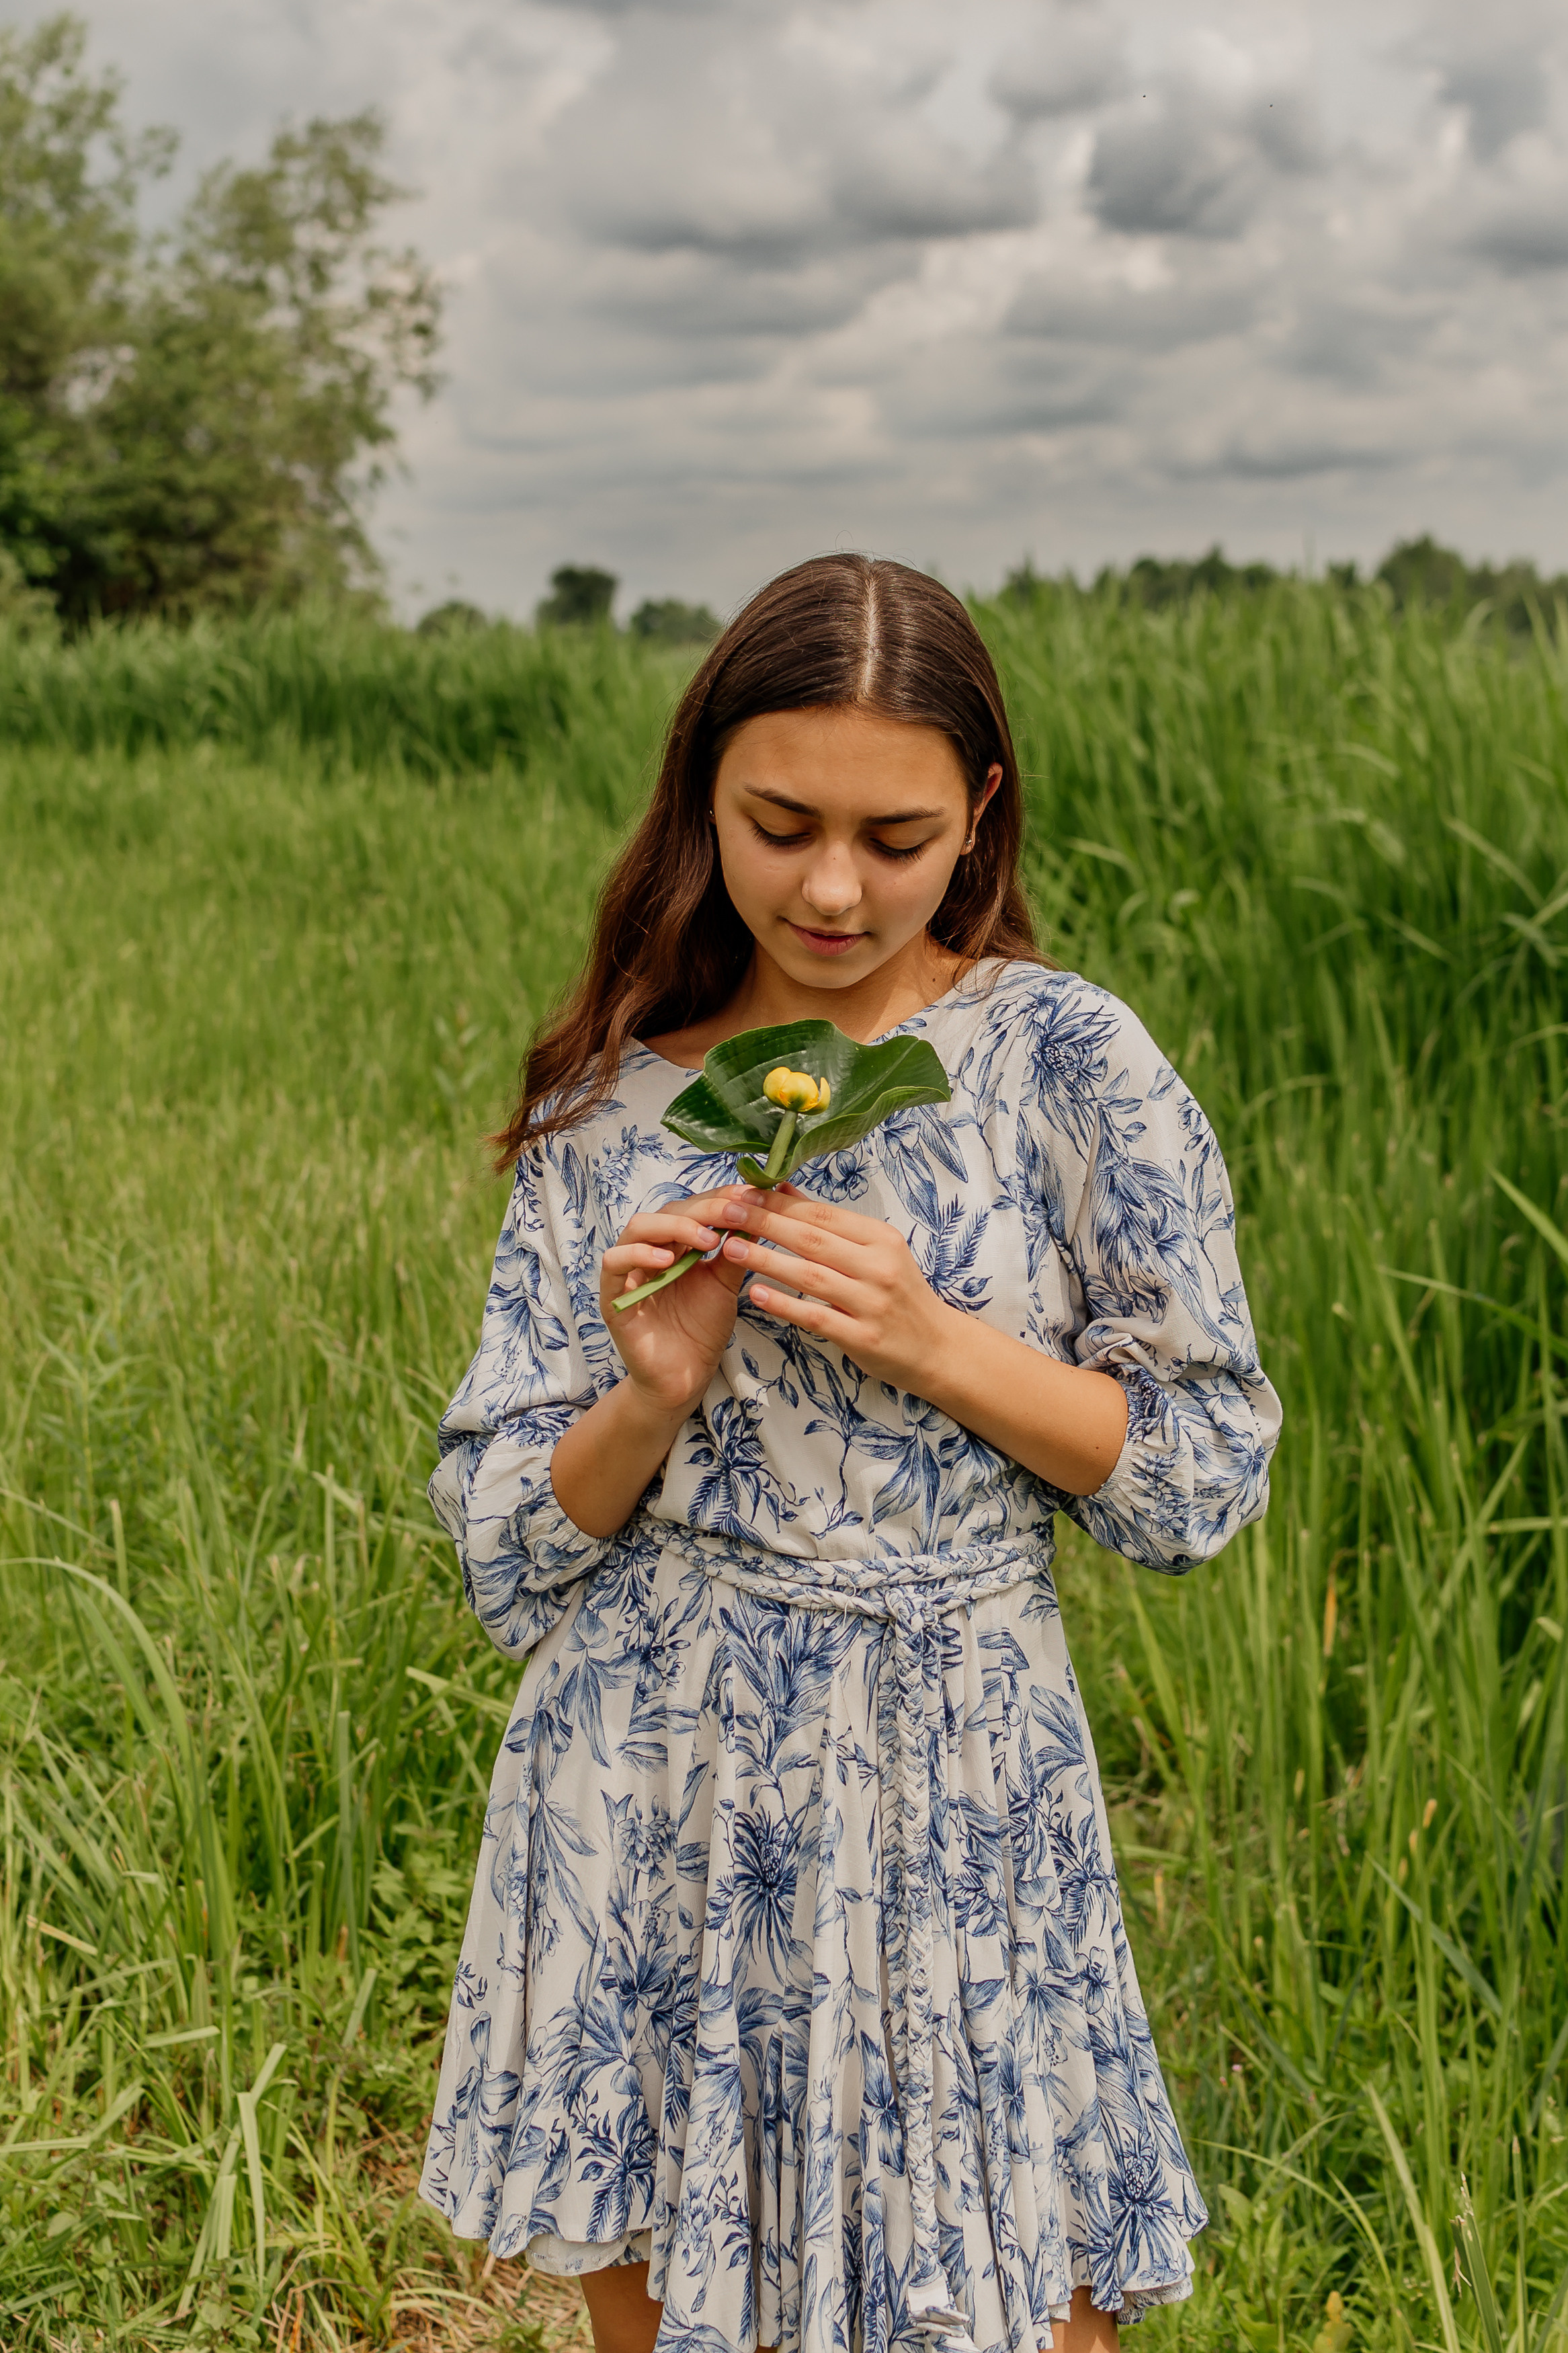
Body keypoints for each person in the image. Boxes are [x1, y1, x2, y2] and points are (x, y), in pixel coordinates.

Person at [417, 555, 1281, 2353]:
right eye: (779, 820)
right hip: (658, 1790)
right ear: (701, 797)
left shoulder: (1066, 1063)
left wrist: (935, 1340)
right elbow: (506, 1547)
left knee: (1022, 2308)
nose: (831, 885)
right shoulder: (617, 1101)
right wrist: (646, 1394)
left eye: (894, 838)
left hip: (963, 1777)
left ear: (979, 813)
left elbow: (1200, 1469)